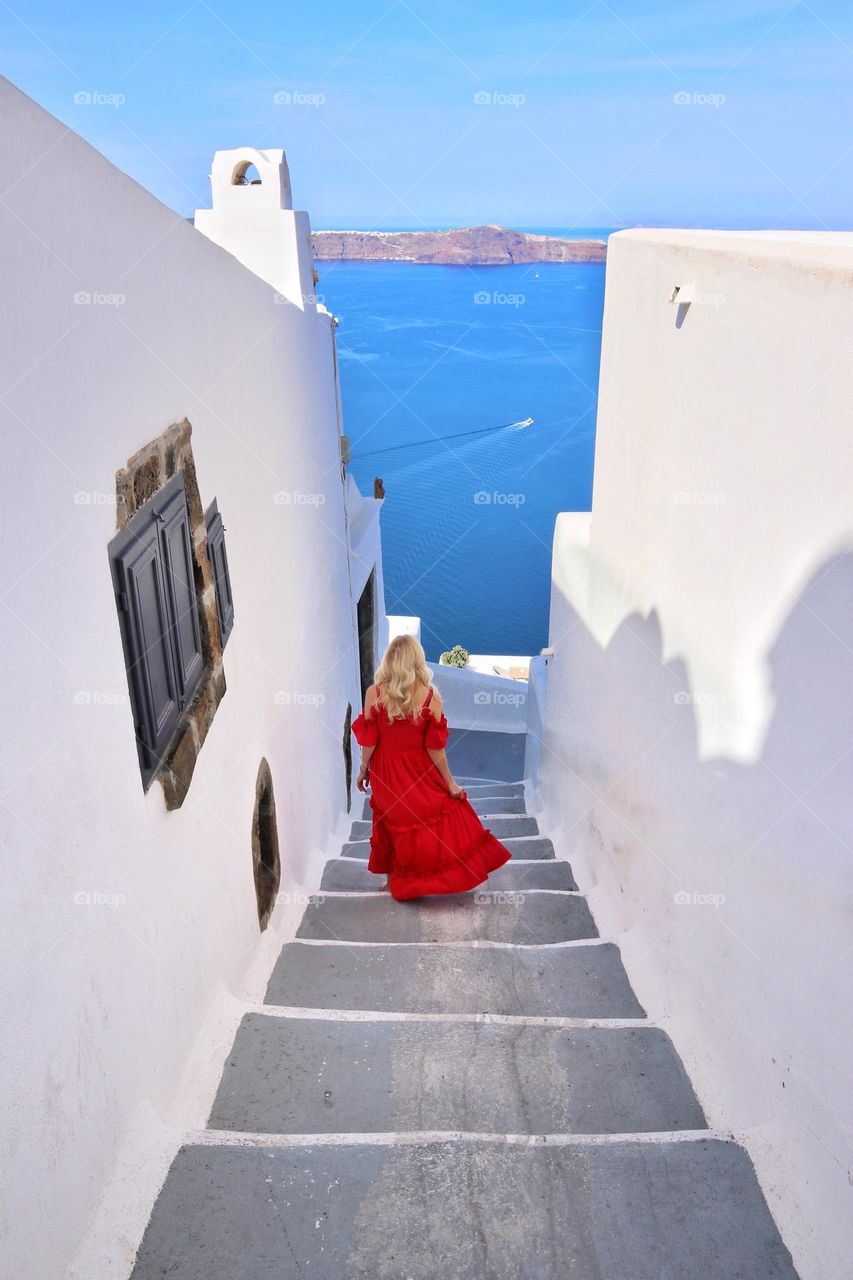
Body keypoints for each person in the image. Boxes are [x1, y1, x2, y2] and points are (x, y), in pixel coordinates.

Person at [351, 634, 511, 901]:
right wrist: (449, 782)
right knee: (426, 821)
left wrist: (363, 768)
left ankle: (393, 882)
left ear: (390, 660)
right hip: (419, 769)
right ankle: (417, 881)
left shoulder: (374, 693)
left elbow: (369, 740)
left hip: (386, 770)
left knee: (391, 822)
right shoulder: (430, 696)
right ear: (417, 661)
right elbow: (434, 748)